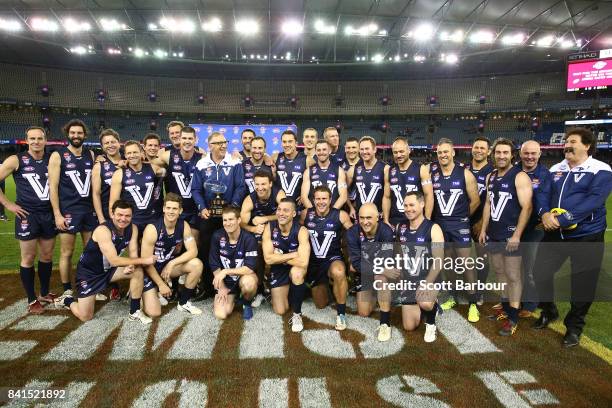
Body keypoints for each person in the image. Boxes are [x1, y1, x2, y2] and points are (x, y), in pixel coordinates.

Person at [533, 127, 612, 348]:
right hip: (554, 235)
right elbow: (541, 194)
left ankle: (574, 328)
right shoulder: (556, 168)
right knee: (539, 272)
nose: (567, 144)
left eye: (573, 141)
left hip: (586, 236)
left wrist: (563, 219)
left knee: (583, 284)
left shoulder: (601, 169)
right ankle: (549, 311)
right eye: (566, 141)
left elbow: (594, 200)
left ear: (587, 145)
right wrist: (545, 214)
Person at [54, 200, 157, 324]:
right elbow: (114, 260)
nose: (123, 219)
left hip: (109, 270)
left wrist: (131, 264)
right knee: (85, 316)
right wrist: (145, 260)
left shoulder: (133, 228)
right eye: (119, 215)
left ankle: (134, 311)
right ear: (112, 214)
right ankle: (67, 300)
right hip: (90, 274)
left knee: (137, 271)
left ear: (131, 216)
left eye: (127, 216)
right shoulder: (103, 230)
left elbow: (133, 253)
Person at [0, 127, 57, 314]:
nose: (36, 142)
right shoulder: (16, 160)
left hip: (48, 214)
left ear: (45, 140)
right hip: (27, 215)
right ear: (26, 140)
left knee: (47, 256)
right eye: (32, 138)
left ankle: (45, 292)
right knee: (28, 257)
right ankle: (32, 299)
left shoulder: (52, 159)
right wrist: (9, 205)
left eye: (40, 138)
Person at [479, 138, 532, 336]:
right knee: (499, 273)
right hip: (493, 234)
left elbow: (527, 207)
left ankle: (513, 316)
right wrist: (484, 229)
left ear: (512, 155)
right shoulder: (491, 176)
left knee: (513, 276)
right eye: (498, 152)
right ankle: (504, 307)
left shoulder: (519, 176)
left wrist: (517, 235)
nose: (501, 156)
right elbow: (487, 204)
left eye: (505, 153)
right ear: (493, 155)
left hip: (510, 236)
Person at [429, 138, 481, 322]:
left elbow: (475, 200)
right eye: (439, 152)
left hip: (460, 225)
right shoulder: (432, 174)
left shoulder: (465, 174)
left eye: (446, 151)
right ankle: (452, 296)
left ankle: (473, 302)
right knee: (448, 264)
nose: (443, 155)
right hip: (441, 225)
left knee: (466, 264)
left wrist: (463, 217)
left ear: (453, 153)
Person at [192, 131, 246, 299]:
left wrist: (233, 207)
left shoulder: (235, 162)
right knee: (207, 251)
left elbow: (240, 187)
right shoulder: (201, 164)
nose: (223, 145)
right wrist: (202, 207)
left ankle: (234, 287)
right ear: (210, 146)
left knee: (232, 250)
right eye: (218, 143)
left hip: (229, 216)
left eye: (225, 142)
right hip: (209, 216)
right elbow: (195, 189)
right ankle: (209, 287)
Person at [48, 119, 98, 297]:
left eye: (79, 133)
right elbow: (52, 187)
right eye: (73, 133)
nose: (76, 136)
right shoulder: (57, 155)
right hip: (68, 211)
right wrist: (57, 214)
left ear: (84, 135)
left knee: (90, 251)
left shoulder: (91, 154)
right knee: (66, 252)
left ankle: (90, 284)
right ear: (67, 134)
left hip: (88, 211)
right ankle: (67, 289)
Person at [140, 193, 204, 316]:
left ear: (180, 211)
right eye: (168, 208)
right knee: (154, 313)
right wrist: (160, 284)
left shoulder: (183, 225)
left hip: (167, 267)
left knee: (196, 264)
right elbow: (145, 263)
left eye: (174, 208)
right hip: (150, 270)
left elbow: (193, 251)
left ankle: (183, 302)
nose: (171, 211)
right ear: (163, 209)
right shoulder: (152, 229)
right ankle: (148, 291)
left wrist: (171, 263)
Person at [300, 186, 353, 330]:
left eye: (324, 198)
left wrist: (353, 258)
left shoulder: (340, 215)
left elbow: (354, 235)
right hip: (314, 263)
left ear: (330, 200)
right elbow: (296, 233)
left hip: (332, 259)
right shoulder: (305, 214)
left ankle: (341, 313)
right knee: (320, 304)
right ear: (313, 200)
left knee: (338, 272)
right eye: (318, 198)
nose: (321, 202)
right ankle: (332, 286)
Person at [395, 191, 445, 343]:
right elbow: (399, 253)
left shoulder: (433, 228)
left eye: (412, 205)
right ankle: (425, 306)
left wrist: (427, 283)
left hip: (429, 277)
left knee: (424, 301)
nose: (408, 209)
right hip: (410, 279)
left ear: (422, 204)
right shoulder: (400, 227)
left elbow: (439, 260)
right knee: (409, 326)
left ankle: (431, 320)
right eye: (405, 205)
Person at [346, 203, 395, 341]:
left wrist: (378, 269)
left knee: (381, 277)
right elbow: (355, 264)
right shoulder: (352, 232)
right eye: (361, 218)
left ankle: (385, 323)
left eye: (369, 218)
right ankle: (377, 293)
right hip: (367, 273)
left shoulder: (387, 232)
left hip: (382, 274)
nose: (365, 222)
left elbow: (386, 262)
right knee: (363, 312)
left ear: (378, 217)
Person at [262, 198, 310, 332]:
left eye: (286, 210)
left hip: (295, 268)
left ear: (294, 214)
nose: (281, 213)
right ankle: (286, 292)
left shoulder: (301, 231)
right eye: (279, 209)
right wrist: (291, 255)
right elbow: (268, 259)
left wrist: (278, 256)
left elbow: (303, 262)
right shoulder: (270, 227)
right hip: (278, 269)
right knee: (280, 310)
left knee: (297, 273)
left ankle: (297, 314)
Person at [518, 140, 551, 316]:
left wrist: (543, 215)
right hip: (514, 228)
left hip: (534, 229)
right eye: (526, 153)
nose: (530, 157)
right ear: (520, 154)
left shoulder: (545, 174)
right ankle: (514, 300)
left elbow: (544, 200)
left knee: (529, 268)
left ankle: (530, 304)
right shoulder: (513, 171)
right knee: (514, 267)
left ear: (539, 154)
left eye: (533, 153)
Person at [210, 205, 259, 320]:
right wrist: (221, 287)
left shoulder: (249, 239)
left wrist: (226, 271)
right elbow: (214, 264)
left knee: (249, 284)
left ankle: (246, 302)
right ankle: (235, 298)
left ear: (239, 220)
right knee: (221, 314)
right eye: (225, 220)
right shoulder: (217, 236)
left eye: (231, 219)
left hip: (243, 278)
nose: (228, 223)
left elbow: (249, 268)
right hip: (226, 283)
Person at [156, 126, 203, 243]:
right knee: (174, 244)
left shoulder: (202, 158)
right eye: (184, 138)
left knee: (193, 241)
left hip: (194, 210)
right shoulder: (168, 156)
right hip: (175, 209)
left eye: (190, 138)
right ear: (179, 139)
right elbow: (150, 165)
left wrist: (234, 157)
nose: (187, 141)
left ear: (195, 140)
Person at [109, 140, 165, 236]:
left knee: (152, 249)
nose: (132, 155)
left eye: (135, 152)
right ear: (125, 155)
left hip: (153, 219)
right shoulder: (119, 174)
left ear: (141, 152)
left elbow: (165, 163)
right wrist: (117, 223)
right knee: (134, 250)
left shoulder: (154, 168)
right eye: (129, 153)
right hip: (132, 221)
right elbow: (113, 203)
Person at [465, 136, 494, 305]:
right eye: (476, 147)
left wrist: (483, 222)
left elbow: (491, 201)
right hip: (463, 219)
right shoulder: (464, 169)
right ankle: (460, 286)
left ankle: (480, 290)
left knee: (482, 256)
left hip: (480, 221)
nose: (479, 151)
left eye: (483, 148)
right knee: (457, 256)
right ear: (472, 149)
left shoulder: (492, 172)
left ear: (488, 151)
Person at [383, 137, 433, 227]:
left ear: (409, 150)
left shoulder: (421, 169)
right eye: (395, 152)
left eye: (401, 151)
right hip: (395, 221)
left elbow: (429, 195)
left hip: (416, 220)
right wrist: (386, 220)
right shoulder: (389, 171)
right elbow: (387, 197)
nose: (398, 155)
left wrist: (427, 219)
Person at [347, 136, 389, 218]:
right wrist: (351, 208)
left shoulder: (385, 169)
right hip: (360, 217)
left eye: (367, 149)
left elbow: (389, 196)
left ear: (374, 150)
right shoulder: (353, 169)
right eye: (362, 149)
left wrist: (385, 212)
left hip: (378, 217)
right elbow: (342, 191)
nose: (364, 152)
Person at [301, 139, 348, 210]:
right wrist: (314, 212)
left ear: (329, 151)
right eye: (319, 150)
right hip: (314, 214)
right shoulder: (308, 171)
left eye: (324, 149)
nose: (321, 152)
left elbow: (343, 196)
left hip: (333, 213)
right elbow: (304, 197)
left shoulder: (339, 170)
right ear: (315, 152)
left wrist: (331, 213)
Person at [92, 129, 123, 225]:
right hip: (108, 215)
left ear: (119, 143)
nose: (110, 145)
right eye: (106, 143)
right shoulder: (98, 166)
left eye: (113, 142)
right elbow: (96, 194)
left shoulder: (129, 161)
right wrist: (101, 219)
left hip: (129, 213)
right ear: (102, 146)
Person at [274, 130, 308, 207]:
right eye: (284, 142)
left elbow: (317, 179)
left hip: (299, 206)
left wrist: (306, 195)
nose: (287, 144)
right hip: (279, 206)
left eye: (290, 141)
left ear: (296, 143)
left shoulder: (307, 160)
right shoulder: (275, 157)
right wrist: (265, 156)